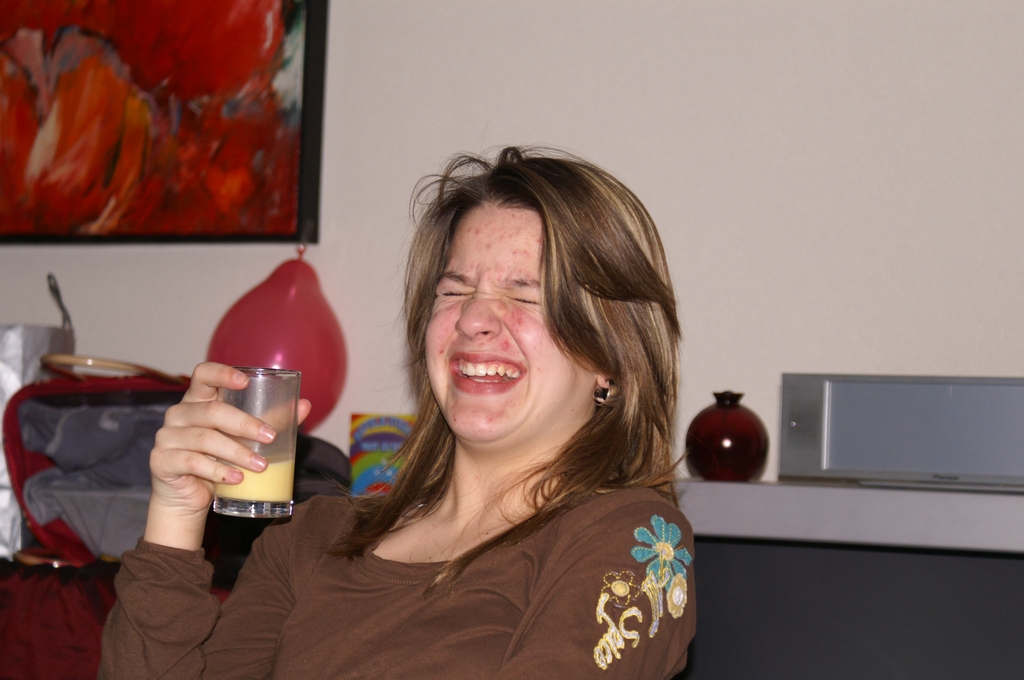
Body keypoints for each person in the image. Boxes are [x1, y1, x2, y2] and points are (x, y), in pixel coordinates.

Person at [100, 146, 695, 678]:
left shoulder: (637, 540)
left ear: (609, 357)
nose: (472, 319)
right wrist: (175, 517)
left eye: (525, 294)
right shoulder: (309, 540)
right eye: (454, 291)